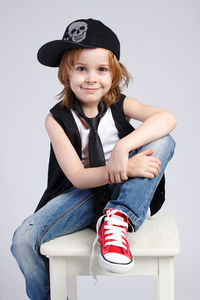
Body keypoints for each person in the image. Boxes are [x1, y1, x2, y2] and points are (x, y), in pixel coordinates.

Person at [11, 18, 176, 300]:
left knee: (164, 140)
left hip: (129, 191)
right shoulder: (56, 120)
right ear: (66, 74)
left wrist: (124, 150)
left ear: (114, 74)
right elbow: (77, 176)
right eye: (81, 69)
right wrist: (124, 169)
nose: (91, 78)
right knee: (23, 241)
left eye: (101, 69)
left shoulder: (121, 105)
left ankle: (119, 217)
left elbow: (167, 118)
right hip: (83, 194)